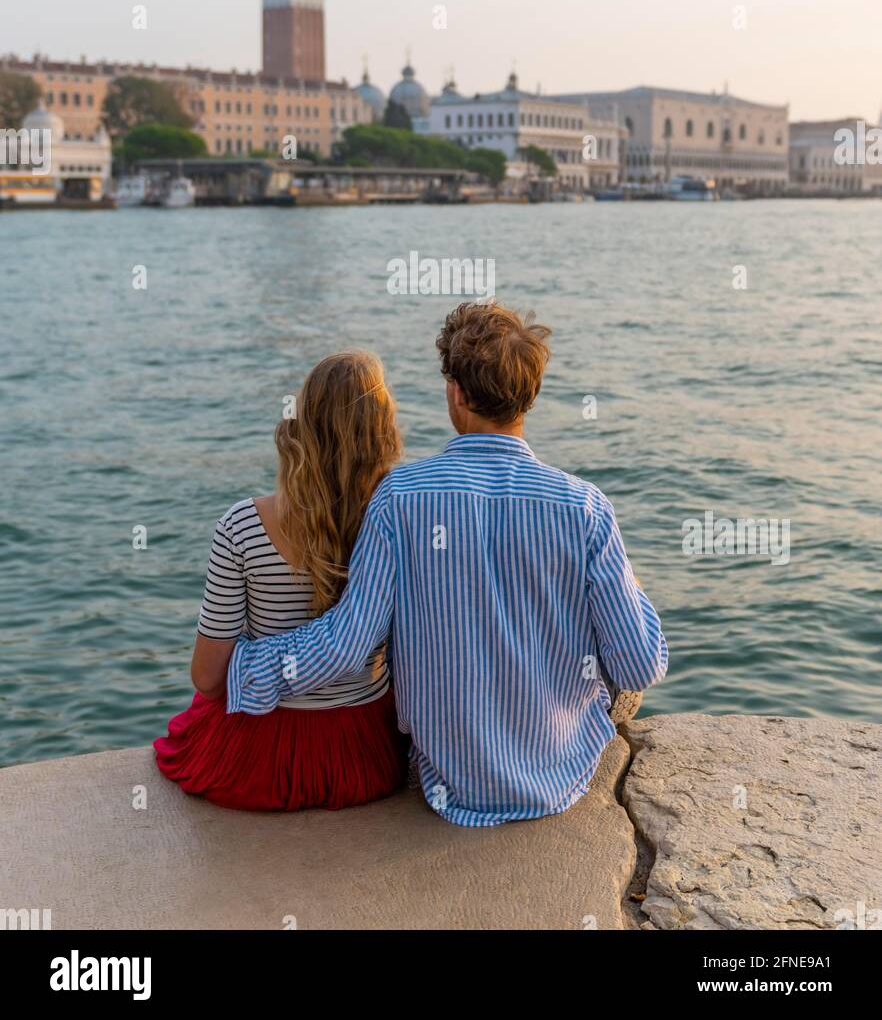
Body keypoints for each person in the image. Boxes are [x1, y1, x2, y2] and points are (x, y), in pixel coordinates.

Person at [226, 302, 668, 827]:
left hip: (448, 781)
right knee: (619, 628)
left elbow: (347, 644)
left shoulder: (401, 498)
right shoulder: (585, 506)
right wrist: (629, 585)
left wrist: (245, 668)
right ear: (530, 396)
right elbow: (640, 666)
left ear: (455, 394)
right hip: (561, 775)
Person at [154, 351, 408, 810]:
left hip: (258, 758)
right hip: (365, 754)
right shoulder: (399, 520)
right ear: (383, 432)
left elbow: (208, 680)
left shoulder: (241, 526)